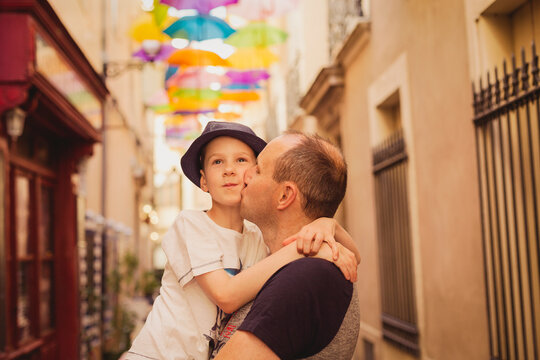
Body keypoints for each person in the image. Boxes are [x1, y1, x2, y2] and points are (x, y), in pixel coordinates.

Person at [126, 122, 360, 360]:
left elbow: (354, 258)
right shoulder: (191, 224)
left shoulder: (256, 237)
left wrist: (328, 225)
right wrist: (301, 249)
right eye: (217, 162)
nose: (230, 170)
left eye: (243, 162)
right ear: (203, 181)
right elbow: (226, 296)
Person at [213, 131, 361, 359]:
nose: (245, 174)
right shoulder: (279, 264)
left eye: (258, 169)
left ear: (285, 195)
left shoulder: (305, 277)